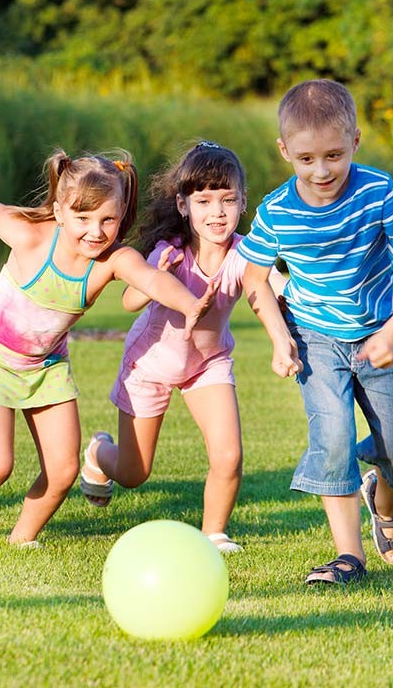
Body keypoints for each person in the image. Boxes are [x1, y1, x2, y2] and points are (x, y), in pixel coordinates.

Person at [0, 119, 217, 547]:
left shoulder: (112, 261)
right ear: (60, 211)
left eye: (108, 220)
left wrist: (191, 304)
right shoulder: (28, 237)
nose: (95, 232)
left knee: (62, 470)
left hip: (46, 366)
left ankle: (20, 540)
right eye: (83, 217)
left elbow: (151, 280)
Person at [237, 79, 393, 584]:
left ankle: (386, 504)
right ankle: (349, 556)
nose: (321, 170)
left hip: (379, 336)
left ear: (355, 141)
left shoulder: (378, 192)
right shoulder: (276, 211)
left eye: (333, 155)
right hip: (316, 340)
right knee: (331, 440)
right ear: (285, 151)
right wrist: (281, 338)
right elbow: (254, 277)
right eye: (306, 159)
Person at [80, 141, 290, 554]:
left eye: (228, 200)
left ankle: (214, 534)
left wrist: (291, 317)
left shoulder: (246, 252)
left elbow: (270, 288)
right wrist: (153, 278)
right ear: (183, 204)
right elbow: (128, 302)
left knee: (228, 455)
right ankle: (98, 453)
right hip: (150, 365)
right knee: (133, 473)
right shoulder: (170, 253)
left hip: (207, 365)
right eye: (205, 201)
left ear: (243, 202)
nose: (217, 212)